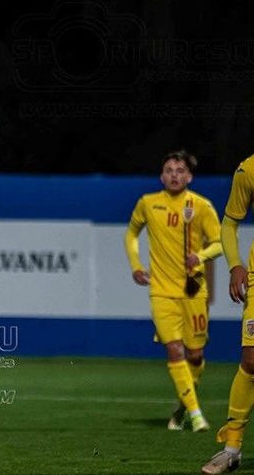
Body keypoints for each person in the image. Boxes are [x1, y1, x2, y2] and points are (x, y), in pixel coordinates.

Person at [125, 150, 221, 433]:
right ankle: (196, 414)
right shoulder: (148, 203)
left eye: (180, 170)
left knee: (195, 355)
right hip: (162, 292)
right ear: (161, 175)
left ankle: (181, 409)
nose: (174, 175)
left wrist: (201, 257)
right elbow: (131, 233)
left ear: (189, 177)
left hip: (194, 292)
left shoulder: (201, 206)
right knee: (175, 350)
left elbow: (218, 243)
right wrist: (136, 265)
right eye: (169, 169)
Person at [200, 151, 254, 474]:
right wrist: (235, 265)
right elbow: (230, 222)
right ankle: (231, 448)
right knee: (251, 360)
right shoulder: (248, 169)